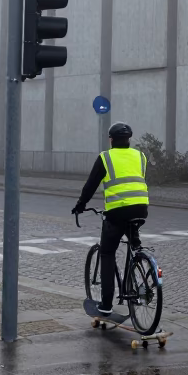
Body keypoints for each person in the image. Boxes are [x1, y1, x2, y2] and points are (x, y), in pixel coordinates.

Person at [72, 122, 149, 317]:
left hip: (117, 212)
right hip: (141, 209)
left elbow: (91, 185)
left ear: (111, 140)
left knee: (107, 253)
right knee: (133, 241)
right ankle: (139, 256)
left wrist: (81, 204)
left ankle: (106, 305)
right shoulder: (140, 156)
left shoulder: (106, 157)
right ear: (129, 139)